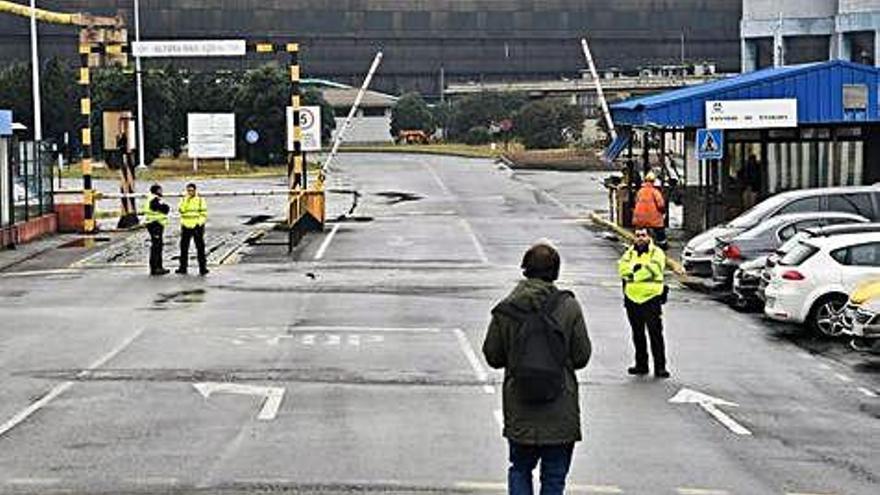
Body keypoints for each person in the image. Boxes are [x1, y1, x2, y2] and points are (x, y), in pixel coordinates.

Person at [483, 242, 592, 495]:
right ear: (555, 272)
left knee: (520, 468)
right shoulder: (568, 307)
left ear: (525, 270)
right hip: (560, 408)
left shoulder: (506, 308)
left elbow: (493, 356)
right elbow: (582, 356)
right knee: (554, 477)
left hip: (520, 406)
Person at [618, 228, 669, 378]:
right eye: (638, 235)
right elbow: (622, 268)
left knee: (655, 333)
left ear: (649, 238)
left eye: (643, 235)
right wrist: (635, 271)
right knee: (637, 333)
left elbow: (653, 269)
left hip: (651, 297)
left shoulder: (657, 253)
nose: (640, 238)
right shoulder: (629, 253)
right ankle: (641, 364)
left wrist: (633, 275)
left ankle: (660, 367)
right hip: (632, 298)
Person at [176, 182, 209, 276]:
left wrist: (199, 223)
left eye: (191, 190)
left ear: (195, 190)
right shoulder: (184, 199)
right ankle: (183, 268)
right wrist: (186, 200)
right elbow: (181, 210)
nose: (190, 192)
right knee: (183, 248)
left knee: (200, 248)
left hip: (196, 226)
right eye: (188, 190)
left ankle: (203, 268)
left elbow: (203, 213)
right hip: (186, 226)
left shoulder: (200, 200)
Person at [632, 171, 667, 250]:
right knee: (660, 232)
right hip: (653, 218)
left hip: (640, 218)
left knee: (641, 232)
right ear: (653, 181)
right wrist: (663, 211)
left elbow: (635, 201)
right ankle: (662, 246)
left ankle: (639, 246)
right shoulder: (655, 192)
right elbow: (661, 204)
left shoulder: (640, 191)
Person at [144, 184, 170, 276]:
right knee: (156, 247)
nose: (162, 191)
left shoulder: (151, 198)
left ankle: (159, 267)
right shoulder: (154, 199)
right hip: (155, 224)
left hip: (154, 223)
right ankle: (155, 268)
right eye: (160, 190)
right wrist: (165, 207)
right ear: (157, 190)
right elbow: (161, 209)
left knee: (158, 246)